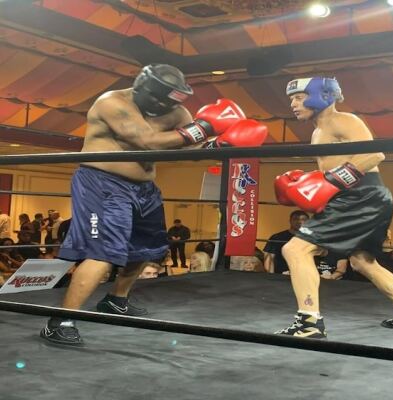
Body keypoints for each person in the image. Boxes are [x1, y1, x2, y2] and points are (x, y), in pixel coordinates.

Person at [40, 64, 267, 346]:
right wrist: (206, 127)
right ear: (143, 90)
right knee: (103, 252)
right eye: (159, 99)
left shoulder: (177, 112)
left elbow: (188, 149)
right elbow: (145, 141)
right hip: (102, 183)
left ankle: (116, 300)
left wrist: (219, 145)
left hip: (145, 189)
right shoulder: (113, 102)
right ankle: (60, 319)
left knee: (145, 246)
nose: (163, 105)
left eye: (169, 101)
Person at [274, 77, 393, 338]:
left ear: (321, 95)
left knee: (295, 249)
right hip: (358, 198)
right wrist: (315, 190)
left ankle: (309, 323)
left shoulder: (344, 120)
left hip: (361, 196)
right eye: (292, 98)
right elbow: (330, 174)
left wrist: (330, 182)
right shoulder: (318, 131)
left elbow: (374, 154)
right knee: (363, 262)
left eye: (299, 97)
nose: (293, 103)